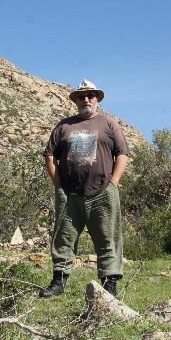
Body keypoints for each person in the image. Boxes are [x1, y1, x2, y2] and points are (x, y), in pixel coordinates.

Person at [40, 79, 130, 298]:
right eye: (82, 96)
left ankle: (109, 284)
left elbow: (123, 153)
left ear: (97, 99)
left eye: (91, 95)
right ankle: (58, 282)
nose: (86, 99)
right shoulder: (64, 126)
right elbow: (50, 155)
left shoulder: (109, 124)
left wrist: (114, 182)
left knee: (108, 238)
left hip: (103, 192)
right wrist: (58, 185)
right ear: (76, 101)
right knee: (63, 238)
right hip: (69, 194)